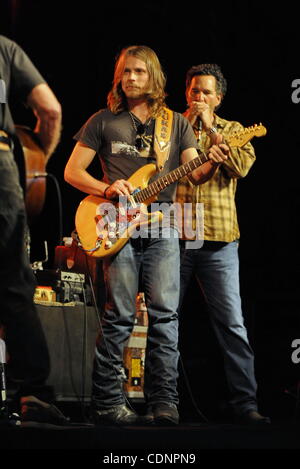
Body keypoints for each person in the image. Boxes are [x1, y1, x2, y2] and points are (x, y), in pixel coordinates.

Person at [64, 45, 229, 426]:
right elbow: (73, 172)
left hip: (164, 224)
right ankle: (107, 403)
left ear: (154, 76)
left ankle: (164, 404)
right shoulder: (103, 120)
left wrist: (212, 158)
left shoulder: (176, 123)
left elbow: (195, 173)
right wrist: (107, 189)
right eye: (125, 72)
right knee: (119, 314)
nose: (131, 78)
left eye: (139, 71)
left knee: (166, 316)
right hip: (116, 223)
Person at [176, 63, 270, 425]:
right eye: (194, 91)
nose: (198, 97)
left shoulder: (233, 130)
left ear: (219, 98)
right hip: (176, 237)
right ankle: (158, 399)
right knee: (163, 321)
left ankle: (245, 403)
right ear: (187, 92)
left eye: (206, 92)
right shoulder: (173, 127)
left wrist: (212, 129)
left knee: (232, 323)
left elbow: (241, 168)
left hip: (219, 240)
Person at [0, 35, 66, 423]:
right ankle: (33, 396)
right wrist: (36, 160)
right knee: (12, 283)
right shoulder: (5, 49)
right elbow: (50, 110)